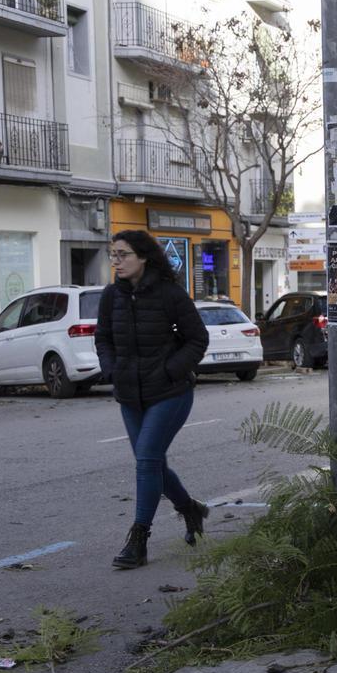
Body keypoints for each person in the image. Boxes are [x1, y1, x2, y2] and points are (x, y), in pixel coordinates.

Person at [95, 230, 211, 569]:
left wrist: (171, 370)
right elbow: (103, 338)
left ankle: (138, 540)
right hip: (130, 394)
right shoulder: (110, 296)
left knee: (146, 459)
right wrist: (111, 369)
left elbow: (197, 339)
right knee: (154, 463)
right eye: (113, 254)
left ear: (143, 257)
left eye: (123, 254)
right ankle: (190, 508)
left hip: (170, 393)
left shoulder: (169, 294)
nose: (116, 261)